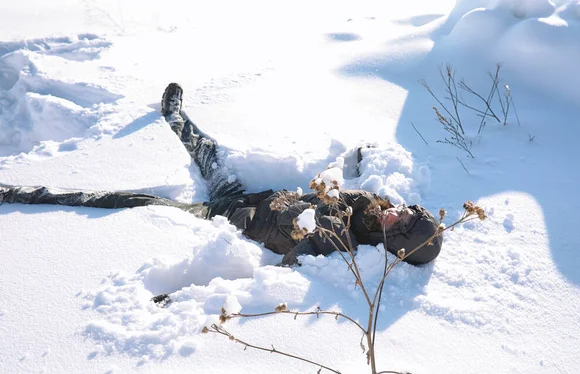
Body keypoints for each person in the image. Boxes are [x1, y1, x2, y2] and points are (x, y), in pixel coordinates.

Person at [0, 83, 442, 269]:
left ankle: (27, 194)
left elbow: (294, 248)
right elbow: (340, 192)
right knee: (207, 150)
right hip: (248, 195)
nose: (397, 212)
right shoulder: (370, 206)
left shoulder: (343, 242)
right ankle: (174, 116)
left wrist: (309, 222)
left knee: (131, 203)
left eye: (401, 224)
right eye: (406, 210)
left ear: (396, 246)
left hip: (219, 220)